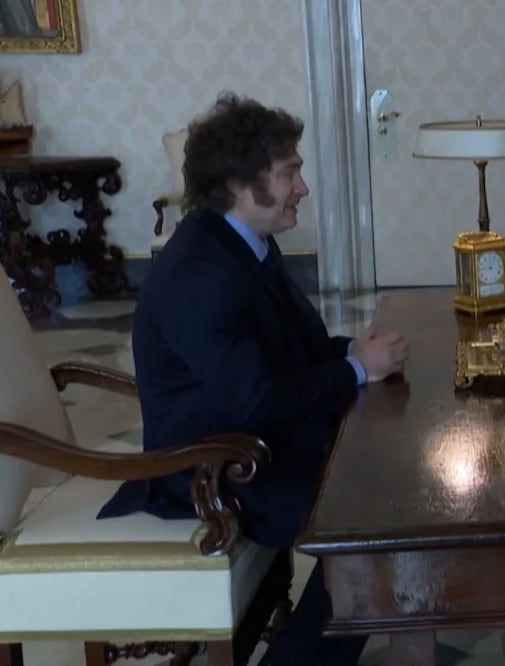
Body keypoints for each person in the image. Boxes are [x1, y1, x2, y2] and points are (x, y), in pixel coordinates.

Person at [97, 92, 408, 666]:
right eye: (290, 172)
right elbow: (257, 400)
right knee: (376, 534)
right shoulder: (201, 271)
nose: (302, 188)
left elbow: (302, 353)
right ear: (240, 185)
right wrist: (355, 369)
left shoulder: (248, 242)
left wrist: (360, 355)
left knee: (390, 484)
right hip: (210, 467)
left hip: (256, 441)